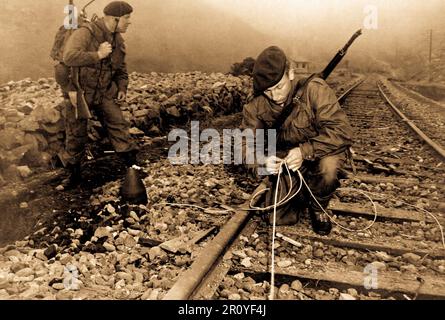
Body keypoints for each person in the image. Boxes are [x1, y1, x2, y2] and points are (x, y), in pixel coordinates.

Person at [241, 46, 353, 236]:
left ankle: (318, 206)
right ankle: (304, 192)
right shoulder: (256, 104)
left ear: (291, 73)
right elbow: (244, 145)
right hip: (287, 161)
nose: (275, 96)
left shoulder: (314, 90)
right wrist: (262, 162)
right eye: (268, 91)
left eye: (279, 87)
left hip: (321, 153)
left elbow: (342, 131)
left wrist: (304, 151)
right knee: (278, 218)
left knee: (329, 168)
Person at [57, 1, 137, 188]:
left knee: (119, 126)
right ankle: (73, 176)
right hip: (80, 92)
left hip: (105, 93)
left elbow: (121, 69)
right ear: (114, 19)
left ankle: (132, 168)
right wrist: (98, 55)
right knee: (76, 134)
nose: (129, 22)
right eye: (126, 18)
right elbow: (69, 57)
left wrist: (122, 88)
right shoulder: (85, 33)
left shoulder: (117, 39)